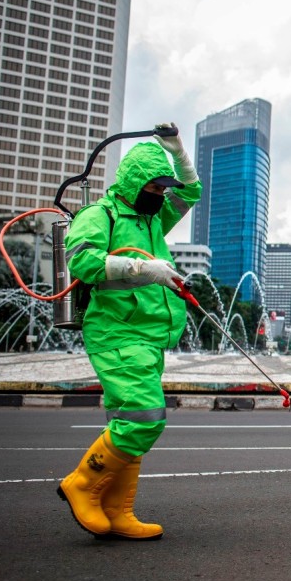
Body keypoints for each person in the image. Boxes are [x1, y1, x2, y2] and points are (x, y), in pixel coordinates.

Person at [57, 125, 200, 540]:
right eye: (154, 188)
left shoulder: (151, 220)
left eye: (161, 189)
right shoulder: (100, 215)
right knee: (144, 416)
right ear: (136, 183)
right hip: (116, 332)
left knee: (127, 419)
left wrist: (176, 149)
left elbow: (190, 193)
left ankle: (119, 511)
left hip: (149, 336)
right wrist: (144, 269)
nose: (160, 195)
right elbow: (82, 262)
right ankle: (81, 484)